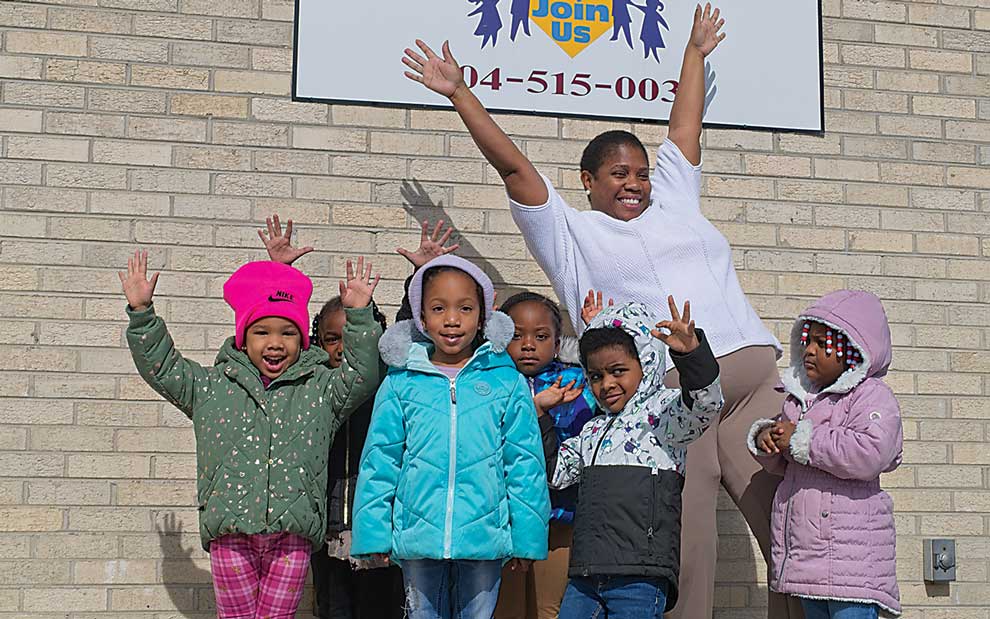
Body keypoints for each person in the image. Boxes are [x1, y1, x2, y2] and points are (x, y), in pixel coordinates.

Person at [401, 5, 802, 618]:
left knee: (787, 520)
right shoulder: (572, 237)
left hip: (749, 372)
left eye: (640, 172)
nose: (634, 183)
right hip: (679, 387)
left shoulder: (673, 200)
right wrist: (460, 94)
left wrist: (693, 53)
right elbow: (514, 168)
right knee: (688, 528)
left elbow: (685, 128)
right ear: (587, 180)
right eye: (618, 174)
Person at [120, 250, 382, 619]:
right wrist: (143, 315)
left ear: (302, 339)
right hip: (231, 534)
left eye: (287, 333)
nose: (275, 343)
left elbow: (363, 374)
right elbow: (164, 369)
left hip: (292, 536)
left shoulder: (321, 389)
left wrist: (359, 317)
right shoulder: (211, 387)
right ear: (243, 338)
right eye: (262, 332)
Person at [258, 214, 459, 619]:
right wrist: (280, 275)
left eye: (353, 335)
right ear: (317, 342)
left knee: (382, 609)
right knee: (332, 608)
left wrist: (422, 275)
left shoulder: (387, 379)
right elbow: (271, 327)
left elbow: (409, 331)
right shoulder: (310, 383)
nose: (342, 346)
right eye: (332, 338)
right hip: (325, 525)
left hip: (379, 525)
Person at [351, 255, 551, 619]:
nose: (453, 319)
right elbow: (380, 460)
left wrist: (527, 537)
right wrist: (374, 534)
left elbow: (525, 464)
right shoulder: (402, 381)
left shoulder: (506, 381)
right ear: (422, 317)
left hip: (485, 538)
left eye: (465, 308)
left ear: (483, 317)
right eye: (439, 308)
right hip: (418, 538)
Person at [542, 299, 723, 618]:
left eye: (618, 371)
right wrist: (540, 415)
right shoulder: (591, 431)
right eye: (596, 376)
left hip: (640, 576)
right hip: (585, 575)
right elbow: (555, 473)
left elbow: (706, 404)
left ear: (648, 363)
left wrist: (690, 355)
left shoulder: (665, 416)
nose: (607, 383)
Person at [748, 290, 902, 619]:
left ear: (853, 348)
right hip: (809, 562)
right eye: (807, 341)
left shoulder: (871, 396)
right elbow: (786, 460)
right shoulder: (800, 400)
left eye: (821, 343)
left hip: (852, 567)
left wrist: (802, 438)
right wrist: (769, 439)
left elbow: (871, 451)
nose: (810, 351)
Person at [494, 292, 597, 619]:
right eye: (514, 334)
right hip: (504, 520)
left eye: (540, 336)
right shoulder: (490, 381)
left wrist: (594, 335)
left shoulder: (575, 381)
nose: (527, 344)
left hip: (560, 518)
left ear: (557, 344)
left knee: (549, 609)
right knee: (505, 609)